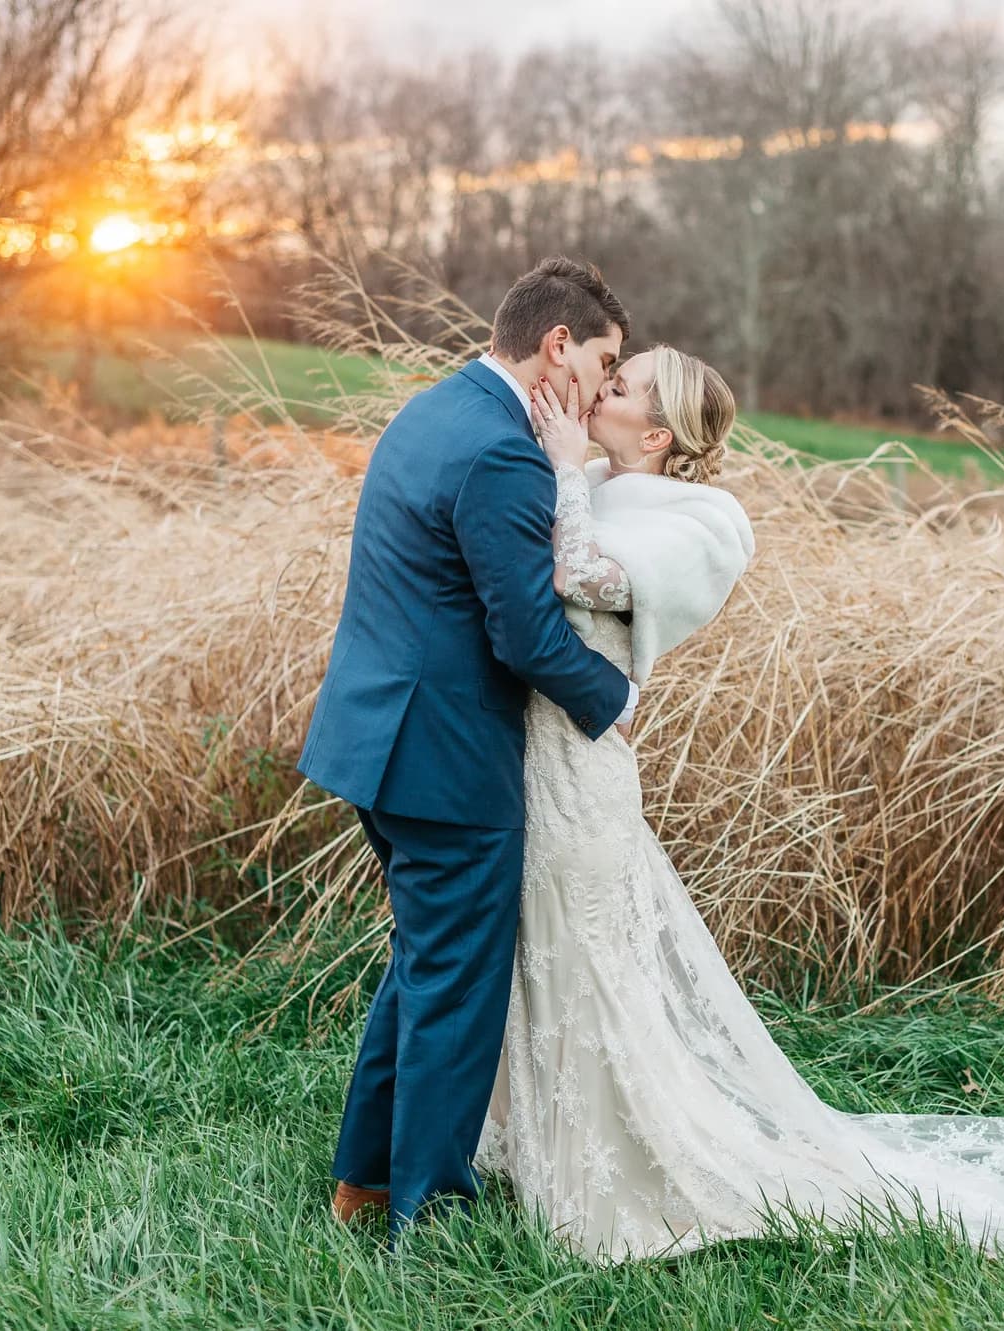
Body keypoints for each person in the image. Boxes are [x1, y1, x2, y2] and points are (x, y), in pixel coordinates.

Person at [469, 345, 1004, 1263]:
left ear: (658, 433)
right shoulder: (590, 476)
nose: (603, 391)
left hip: (585, 773)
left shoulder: (702, 518)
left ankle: (619, 1163)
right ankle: (520, 1142)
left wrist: (556, 472)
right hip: (530, 755)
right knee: (532, 952)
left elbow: (578, 577)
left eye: (619, 388)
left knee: (584, 956)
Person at [297, 257, 638, 1248]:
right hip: (442, 756)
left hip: (378, 738)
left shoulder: (435, 408)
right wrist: (610, 697)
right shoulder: (501, 452)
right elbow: (525, 634)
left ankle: (362, 1181)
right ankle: (429, 1212)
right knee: (459, 980)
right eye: (600, 359)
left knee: (425, 962)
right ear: (555, 344)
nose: (599, 387)